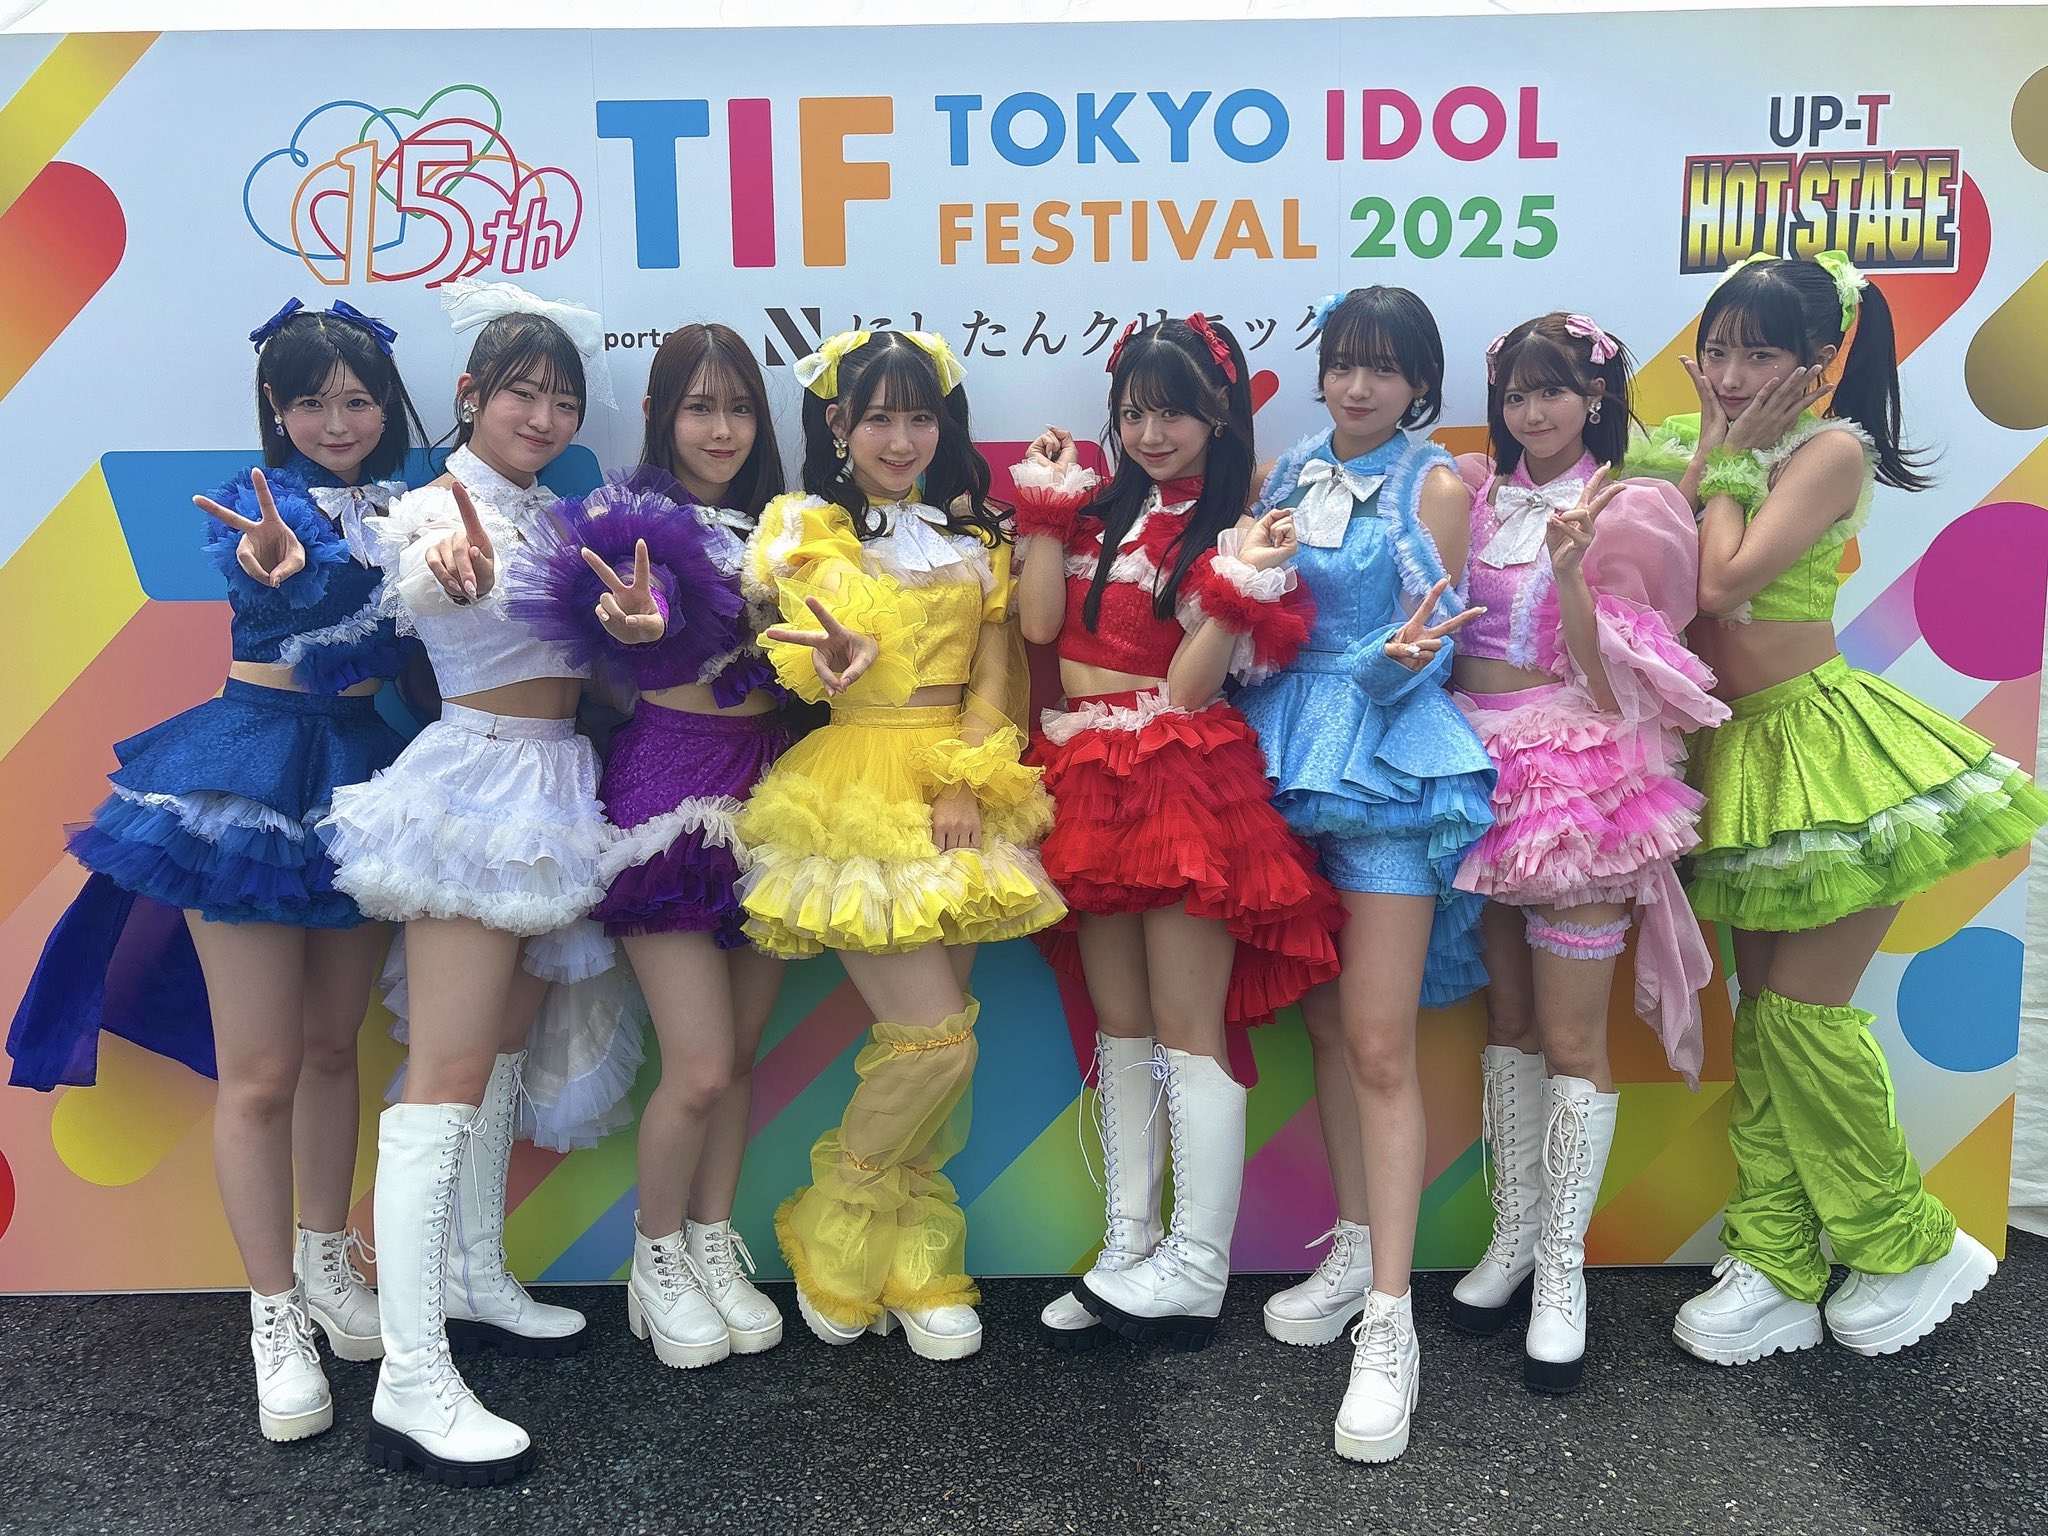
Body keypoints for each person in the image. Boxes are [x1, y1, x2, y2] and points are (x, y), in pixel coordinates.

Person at [1011, 315, 1340, 1351]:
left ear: (1218, 414)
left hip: (1180, 775)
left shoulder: (1243, 527)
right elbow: (1036, 628)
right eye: (1134, 413)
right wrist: (1045, 510)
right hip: (1085, 772)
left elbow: (1193, 689)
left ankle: (1197, 1266)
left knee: (1188, 1030)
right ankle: (1129, 1248)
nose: (1151, 433)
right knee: (1119, 1028)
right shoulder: (1097, 513)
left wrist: (1238, 584)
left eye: (1175, 412)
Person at [737, 329, 1063, 1360]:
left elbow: (996, 675)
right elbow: (812, 659)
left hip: (955, 790)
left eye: (919, 417)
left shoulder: (975, 539)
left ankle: (914, 1264)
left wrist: (967, 776)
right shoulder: (808, 532)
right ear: (839, 425)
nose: (900, 438)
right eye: (878, 417)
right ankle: (832, 1231)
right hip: (857, 788)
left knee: (944, 1046)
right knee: (935, 1040)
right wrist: (838, 652)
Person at [1444, 311, 1728, 1394]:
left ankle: (1563, 1272)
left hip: (1574, 779)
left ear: (1595, 397)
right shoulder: (1474, 497)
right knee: (1508, 1023)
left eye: (1552, 390)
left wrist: (1569, 572)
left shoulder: (1628, 507)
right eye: (1516, 393)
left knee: (1570, 1036)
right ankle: (1514, 1239)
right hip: (1473, 771)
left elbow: (1618, 689)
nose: (1532, 411)